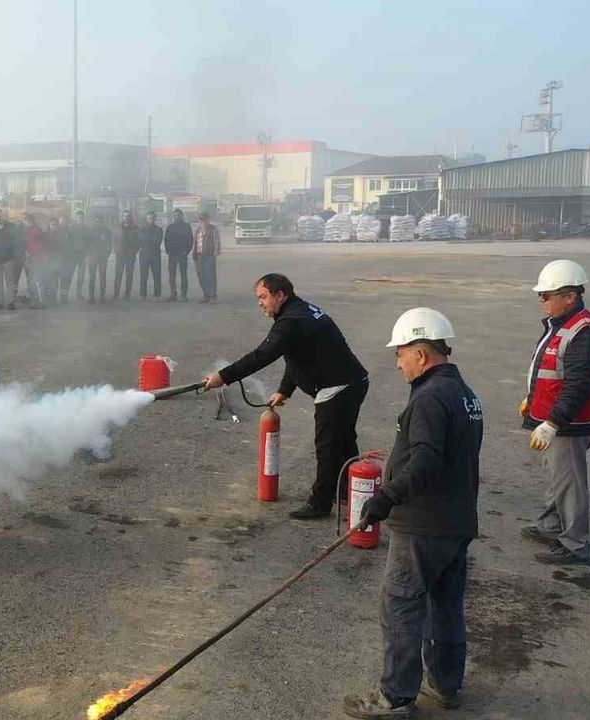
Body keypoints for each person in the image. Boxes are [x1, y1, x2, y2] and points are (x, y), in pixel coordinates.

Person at [342, 307, 482, 719]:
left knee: (402, 605)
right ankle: (445, 685)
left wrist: (385, 496)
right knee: (446, 606)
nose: (398, 361)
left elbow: (425, 463)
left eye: (401, 352)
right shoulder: (464, 394)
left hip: (424, 526)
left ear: (422, 354)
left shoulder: (429, 397)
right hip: (456, 521)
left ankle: (397, 698)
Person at [203, 273, 369, 519]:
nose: (260, 302)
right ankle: (345, 489)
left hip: (337, 388)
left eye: (263, 296)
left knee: (327, 447)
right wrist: (284, 390)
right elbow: (297, 356)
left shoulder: (291, 321)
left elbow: (261, 356)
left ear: (280, 295)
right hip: (352, 382)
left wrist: (223, 376)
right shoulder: (299, 312)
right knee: (342, 441)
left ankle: (320, 503)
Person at [518, 260, 590, 565]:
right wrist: (531, 401)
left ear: (570, 296)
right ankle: (550, 525)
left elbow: (578, 386)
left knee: (569, 481)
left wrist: (553, 422)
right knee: (557, 476)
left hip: (569, 422)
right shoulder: (561, 325)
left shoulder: (584, 332)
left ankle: (574, 543)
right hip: (552, 417)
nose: (542, 301)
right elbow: (548, 370)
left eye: (547, 295)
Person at [0, 208, 21, 310]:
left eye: (0, 216)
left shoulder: (12, 227)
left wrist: (15, 256)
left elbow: (17, 242)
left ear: (4, 216)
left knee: (10, 282)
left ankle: (10, 302)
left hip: (9, 259)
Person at [164, 208, 193, 302]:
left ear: (182, 216)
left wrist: (187, 251)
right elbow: (166, 240)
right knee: (172, 275)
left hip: (183, 254)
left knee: (183, 275)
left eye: (178, 215)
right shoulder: (170, 227)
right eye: (175, 215)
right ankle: (173, 294)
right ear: (174, 217)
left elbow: (190, 240)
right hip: (172, 255)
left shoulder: (187, 227)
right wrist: (168, 251)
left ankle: (184, 294)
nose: (177, 217)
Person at [192, 212, 221, 303]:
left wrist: (215, 253)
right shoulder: (198, 230)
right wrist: (194, 254)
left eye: (204, 219)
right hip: (199, 256)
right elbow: (195, 243)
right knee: (201, 276)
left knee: (211, 276)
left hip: (209, 256)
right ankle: (206, 295)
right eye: (201, 219)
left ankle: (213, 296)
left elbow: (217, 242)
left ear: (208, 219)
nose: (203, 221)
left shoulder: (213, 229)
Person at [114, 210, 140, 300]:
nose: (127, 218)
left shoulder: (135, 228)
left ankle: (127, 293)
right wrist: (116, 250)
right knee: (118, 275)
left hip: (130, 255)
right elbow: (113, 240)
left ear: (131, 217)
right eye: (125, 216)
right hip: (120, 255)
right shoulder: (117, 228)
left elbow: (138, 242)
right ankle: (116, 293)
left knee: (129, 275)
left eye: (128, 216)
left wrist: (134, 252)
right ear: (122, 217)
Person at [85, 214, 111, 303]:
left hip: (103, 257)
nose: (98, 223)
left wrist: (108, 253)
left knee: (102, 277)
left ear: (103, 222)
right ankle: (91, 296)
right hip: (92, 257)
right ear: (94, 222)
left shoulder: (107, 231)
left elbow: (110, 243)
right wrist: (88, 255)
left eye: (100, 221)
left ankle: (102, 296)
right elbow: (86, 244)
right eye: (97, 221)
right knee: (92, 277)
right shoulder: (89, 231)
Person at [138, 211, 163, 300]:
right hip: (144, 255)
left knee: (156, 276)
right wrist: (150, 239)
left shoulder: (159, 229)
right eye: (149, 218)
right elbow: (140, 241)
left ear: (155, 219)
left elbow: (158, 241)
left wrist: (147, 239)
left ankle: (157, 294)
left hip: (155, 255)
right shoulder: (141, 229)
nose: (151, 220)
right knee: (143, 276)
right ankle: (143, 294)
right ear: (146, 219)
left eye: (153, 218)